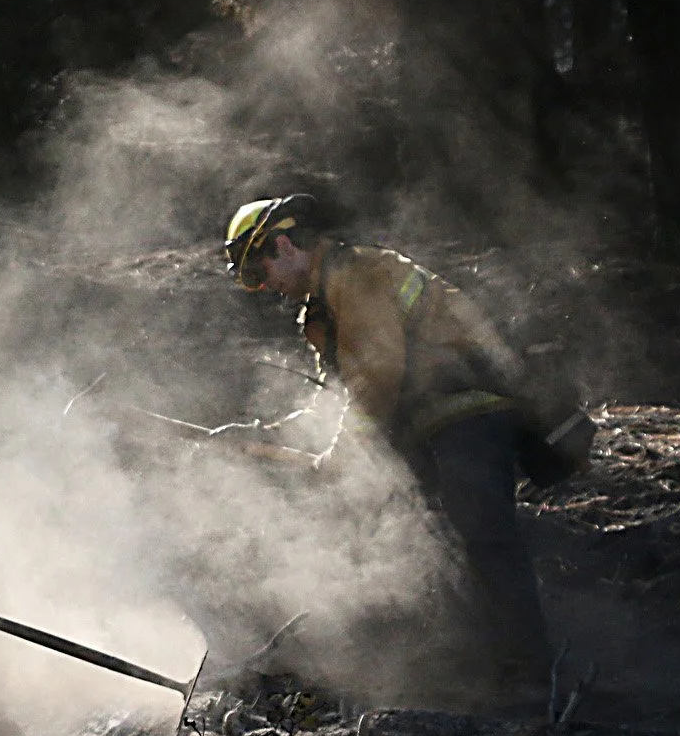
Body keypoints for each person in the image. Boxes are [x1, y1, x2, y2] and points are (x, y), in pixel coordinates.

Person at [222, 194, 554, 687]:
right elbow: (337, 396)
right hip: (423, 423)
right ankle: (442, 651)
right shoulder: (321, 310)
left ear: (285, 245)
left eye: (258, 272)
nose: (263, 286)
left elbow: (379, 372)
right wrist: (265, 436)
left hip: (469, 407)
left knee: (482, 531)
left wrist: (343, 449)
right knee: (396, 527)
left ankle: (530, 670)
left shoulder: (355, 275)